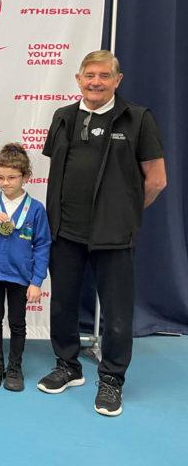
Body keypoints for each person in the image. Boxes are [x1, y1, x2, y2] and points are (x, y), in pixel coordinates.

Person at [38, 50, 167, 416]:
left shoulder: (138, 118)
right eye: (89, 75)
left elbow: (156, 180)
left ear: (117, 81)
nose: (96, 82)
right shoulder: (62, 118)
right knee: (62, 304)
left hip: (114, 236)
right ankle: (67, 366)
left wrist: (123, 215)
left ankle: (111, 380)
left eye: (104, 76)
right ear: (78, 79)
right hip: (65, 232)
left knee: (117, 312)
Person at [0, 143, 50, 392]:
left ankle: (15, 367)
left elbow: (42, 246)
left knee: (17, 323)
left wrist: (37, 281)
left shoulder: (36, 209)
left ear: (26, 177)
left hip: (20, 276)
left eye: (12, 178)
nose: (5, 183)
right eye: (1, 177)